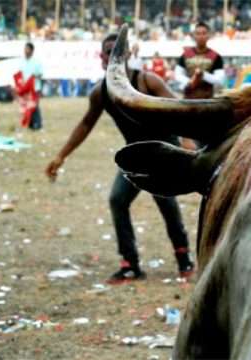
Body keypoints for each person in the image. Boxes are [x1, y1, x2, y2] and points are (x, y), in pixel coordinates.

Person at [45, 33, 195, 284]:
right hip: (135, 154)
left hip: (164, 151)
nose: (111, 55)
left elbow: (179, 109)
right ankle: (130, 264)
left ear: (126, 55)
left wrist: (188, 140)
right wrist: (61, 156)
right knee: (117, 200)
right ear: (102, 57)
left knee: (165, 202)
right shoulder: (101, 92)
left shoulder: (147, 81)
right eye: (107, 51)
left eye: (116, 50)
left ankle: (184, 259)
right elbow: (85, 124)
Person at [175, 22, 225, 99]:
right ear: (193, 36)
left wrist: (203, 75)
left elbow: (219, 80)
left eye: (204, 33)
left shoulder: (216, 57)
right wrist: (189, 81)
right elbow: (178, 75)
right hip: (188, 99)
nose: (201, 36)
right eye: (198, 34)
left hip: (207, 100)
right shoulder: (185, 55)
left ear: (208, 36)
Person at [18, 43, 43, 130]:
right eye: (25, 49)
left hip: (35, 88)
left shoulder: (37, 62)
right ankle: (30, 124)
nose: (25, 51)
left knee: (34, 106)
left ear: (32, 51)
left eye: (27, 49)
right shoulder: (22, 62)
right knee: (27, 106)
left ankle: (38, 124)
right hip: (25, 89)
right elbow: (19, 75)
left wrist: (33, 78)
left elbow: (40, 75)